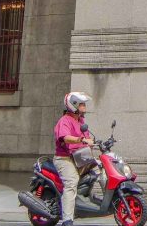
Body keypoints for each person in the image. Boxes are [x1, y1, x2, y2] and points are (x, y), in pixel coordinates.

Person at [54, 91, 94, 226]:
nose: (84, 107)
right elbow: (65, 138)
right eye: (82, 104)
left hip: (79, 157)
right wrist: (81, 139)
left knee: (99, 170)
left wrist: (91, 141)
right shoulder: (64, 121)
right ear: (74, 105)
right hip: (64, 159)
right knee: (71, 182)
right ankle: (67, 220)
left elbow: (87, 138)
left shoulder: (80, 121)